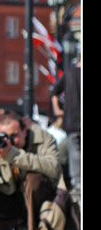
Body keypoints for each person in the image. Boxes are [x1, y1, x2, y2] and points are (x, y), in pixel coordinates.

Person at [51, 54, 80, 198]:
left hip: (72, 120)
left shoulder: (69, 73)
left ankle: (78, 183)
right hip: (74, 120)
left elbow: (54, 92)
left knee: (75, 152)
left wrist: (57, 110)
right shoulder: (70, 73)